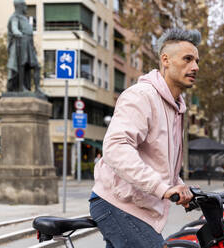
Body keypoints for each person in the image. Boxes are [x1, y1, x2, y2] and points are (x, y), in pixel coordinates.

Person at [89, 28, 201, 248]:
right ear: (165, 60)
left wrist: (180, 187)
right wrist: (163, 189)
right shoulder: (142, 96)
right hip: (118, 204)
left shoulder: (175, 108)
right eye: (188, 59)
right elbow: (116, 148)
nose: (195, 67)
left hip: (138, 208)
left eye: (197, 60)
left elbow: (158, 161)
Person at [6, 0, 42, 93]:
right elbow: (14, 28)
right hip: (21, 42)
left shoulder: (25, 18)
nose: (26, 8)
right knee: (22, 64)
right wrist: (17, 33)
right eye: (25, 6)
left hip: (29, 43)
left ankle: (38, 88)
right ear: (20, 6)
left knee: (37, 66)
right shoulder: (15, 17)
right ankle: (21, 87)